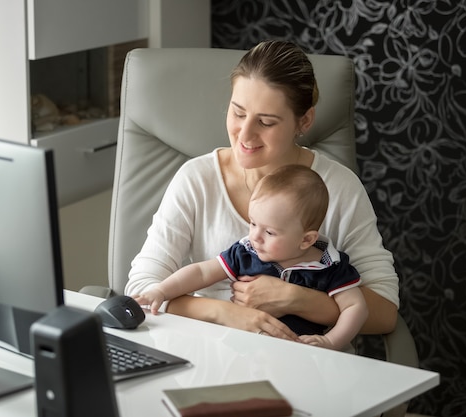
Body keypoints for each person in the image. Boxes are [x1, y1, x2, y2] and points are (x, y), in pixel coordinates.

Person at [125, 40, 399, 342]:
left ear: (304, 121)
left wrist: (297, 299)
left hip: (308, 364)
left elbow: (385, 312)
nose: (244, 135)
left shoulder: (339, 188)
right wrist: (225, 313)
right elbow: (142, 287)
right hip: (209, 357)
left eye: (266, 122)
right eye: (238, 113)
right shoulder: (196, 179)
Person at [132, 165, 368, 351]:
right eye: (253, 223)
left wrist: (331, 342)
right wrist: (162, 291)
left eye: (269, 232)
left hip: (302, 356)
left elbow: (356, 307)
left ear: (306, 240)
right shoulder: (246, 252)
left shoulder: (330, 265)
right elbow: (202, 272)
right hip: (239, 351)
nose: (255, 236)